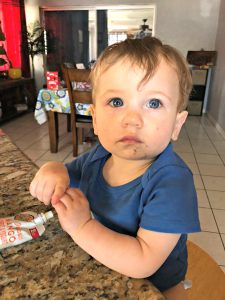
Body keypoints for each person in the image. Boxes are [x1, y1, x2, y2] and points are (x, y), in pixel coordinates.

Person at [30, 37, 200, 300]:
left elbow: (144, 261)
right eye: (117, 102)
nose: (132, 119)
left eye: (153, 103)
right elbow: (69, 174)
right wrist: (53, 170)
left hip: (156, 288)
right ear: (95, 119)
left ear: (177, 125)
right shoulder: (99, 155)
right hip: (100, 269)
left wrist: (82, 226)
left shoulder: (172, 183)